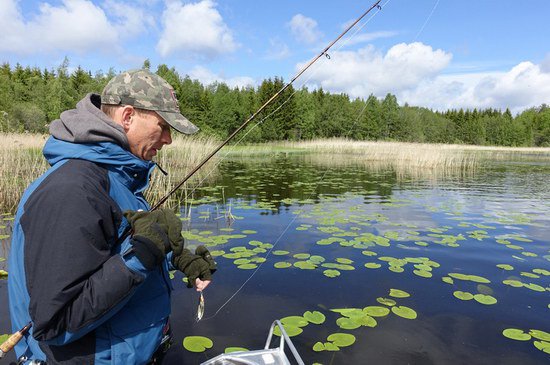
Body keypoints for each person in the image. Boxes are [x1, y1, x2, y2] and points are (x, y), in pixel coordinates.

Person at [8, 69, 217, 364]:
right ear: (128, 116)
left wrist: (177, 258)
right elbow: (55, 322)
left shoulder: (117, 178)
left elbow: (112, 253)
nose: (168, 139)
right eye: (163, 125)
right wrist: (144, 254)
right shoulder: (73, 190)